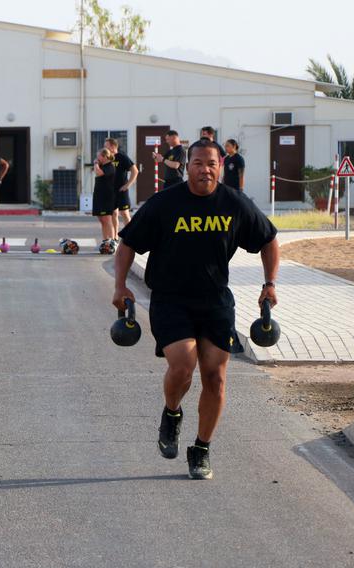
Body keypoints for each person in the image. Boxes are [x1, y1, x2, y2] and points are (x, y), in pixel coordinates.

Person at [113, 139, 279, 480]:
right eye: (199, 163)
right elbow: (127, 243)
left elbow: (268, 240)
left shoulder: (234, 203)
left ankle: (201, 449)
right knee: (183, 365)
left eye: (212, 164)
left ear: (221, 166)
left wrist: (269, 284)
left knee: (216, 377)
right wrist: (120, 286)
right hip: (170, 298)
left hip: (215, 299)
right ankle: (171, 415)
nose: (205, 169)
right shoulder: (165, 204)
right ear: (187, 166)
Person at [104, 137, 138, 232]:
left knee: (125, 214)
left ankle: (130, 236)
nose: (104, 148)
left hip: (121, 190)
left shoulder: (122, 157)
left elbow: (135, 171)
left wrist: (127, 185)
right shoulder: (107, 158)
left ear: (112, 146)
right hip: (110, 191)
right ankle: (115, 239)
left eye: (106, 146)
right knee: (113, 214)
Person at [92, 148, 117, 248]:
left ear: (105, 157)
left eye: (99, 156)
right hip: (99, 196)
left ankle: (111, 243)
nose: (97, 158)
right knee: (101, 220)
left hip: (107, 197)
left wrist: (95, 163)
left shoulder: (109, 166)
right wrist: (97, 164)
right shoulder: (101, 166)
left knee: (107, 219)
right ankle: (105, 242)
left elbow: (98, 173)